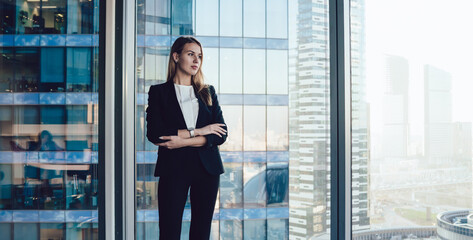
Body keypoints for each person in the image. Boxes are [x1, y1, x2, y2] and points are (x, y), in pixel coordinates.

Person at [146, 36, 228, 240]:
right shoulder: (159, 92)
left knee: (201, 232)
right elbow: (155, 133)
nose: (196, 60)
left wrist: (182, 141)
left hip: (207, 169)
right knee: (169, 231)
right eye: (190, 54)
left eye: (199, 56)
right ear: (176, 56)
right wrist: (200, 131)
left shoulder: (207, 92)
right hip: (173, 169)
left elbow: (221, 134)